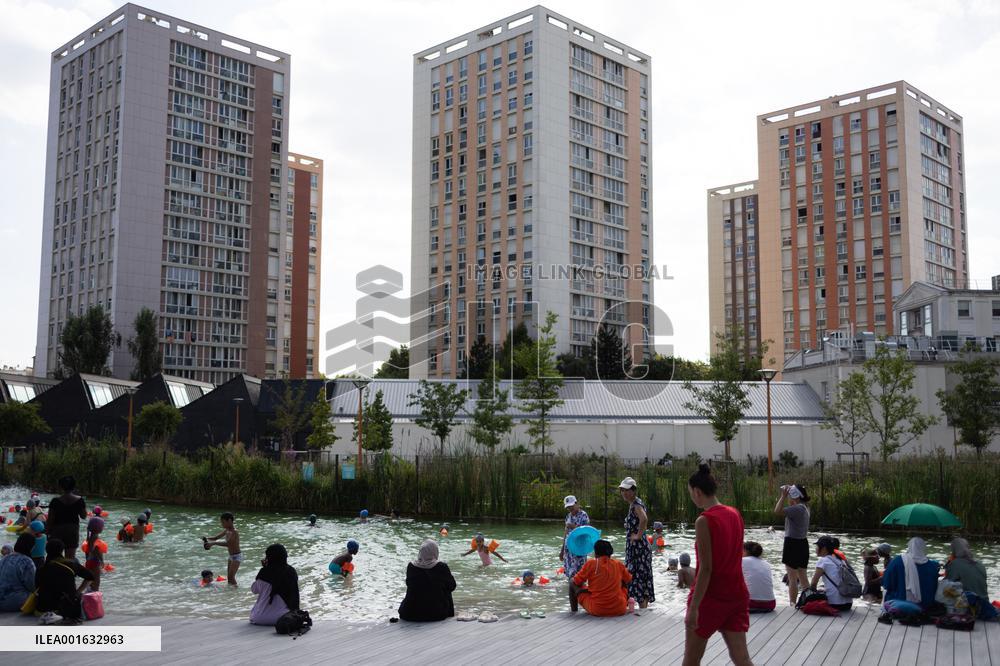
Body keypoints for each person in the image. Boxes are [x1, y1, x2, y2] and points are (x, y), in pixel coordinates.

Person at [683, 463, 752, 666]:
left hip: (710, 598)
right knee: (742, 658)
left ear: (697, 492)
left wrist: (694, 607)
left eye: (690, 493)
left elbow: (706, 568)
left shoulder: (704, 520)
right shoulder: (734, 513)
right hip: (737, 595)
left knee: (691, 660)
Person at [35, 538, 93, 623]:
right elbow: (90, 577)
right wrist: (78, 592)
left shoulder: (41, 568)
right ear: (62, 550)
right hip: (66, 607)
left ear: (46, 551)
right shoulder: (71, 564)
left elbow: (37, 587)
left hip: (42, 608)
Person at [569, 539, 632, 616]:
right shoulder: (618, 564)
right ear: (610, 553)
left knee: (572, 582)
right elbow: (629, 580)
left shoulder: (591, 563)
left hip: (597, 609)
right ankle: (625, 602)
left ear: (595, 553)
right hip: (620, 608)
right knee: (624, 581)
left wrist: (583, 589)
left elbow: (576, 581)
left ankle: (573, 612)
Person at [398, 539, 456, 622]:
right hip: (436, 614)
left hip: (409, 613)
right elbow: (452, 586)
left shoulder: (411, 566)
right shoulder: (441, 566)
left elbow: (409, 584)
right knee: (446, 588)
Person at [619, 477, 654, 608]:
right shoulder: (634, 504)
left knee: (637, 577)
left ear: (634, 491)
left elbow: (644, 519)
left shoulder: (636, 505)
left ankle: (642, 607)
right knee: (639, 578)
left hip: (638, 549)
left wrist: (638, 535)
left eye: (627, 490)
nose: (624, 493)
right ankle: (643, 608)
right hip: (637, 548)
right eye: (623, 490)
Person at [774, 483, 811, 606]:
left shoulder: (797, 509)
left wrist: (783, 496)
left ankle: (792, 604)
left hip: (792, 543)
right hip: (803, 543)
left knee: (792, 578)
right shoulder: (804, 507)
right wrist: (790, 499)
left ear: (795, 495)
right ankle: (809, 601)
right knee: (803, 576)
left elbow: (777, 511)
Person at [944, 537, 996, 620]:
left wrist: (948, 567)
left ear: (954, 550)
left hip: (969, 608)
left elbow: (947, 586)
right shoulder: (980, 564)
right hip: (985, 605)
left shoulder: (955, 564)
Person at [882, 537, 940, 609]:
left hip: (901, 603)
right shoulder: (933, 566)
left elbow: (886, 583)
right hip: (926, 605)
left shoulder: (898, 561)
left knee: (887, 593)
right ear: (923, 548)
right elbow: (934, 587)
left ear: (909, 547)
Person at [249, 544, 299, 626]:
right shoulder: (290, 572)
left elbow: (254, 590)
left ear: (268, 558)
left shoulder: (263, 572)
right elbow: (294, 594)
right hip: (282, 618)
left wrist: (264, 569)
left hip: (258, 618)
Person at [47, 476, 87, 559]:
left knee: (55, 557)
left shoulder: (55, 501)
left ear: (61, 487)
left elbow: (50, 520)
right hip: (72, 530)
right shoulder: (80, 500)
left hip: (57, 530)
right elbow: (83, 516)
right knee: (70, 558)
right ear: (73, 486)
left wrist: (47, 532)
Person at [808, 535, 852, 611]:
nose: (816, 549)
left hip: (835, 604)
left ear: (824, 548)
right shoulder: (841, 560)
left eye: (817, 546)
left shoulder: (823, 561)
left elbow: (813, 584)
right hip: (848, 604)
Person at [202, 512, 241, 586]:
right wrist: (206, 538)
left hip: (237, 556)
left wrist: (213, 544)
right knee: (229, 579)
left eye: (223, 522)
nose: (222, 524)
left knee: (231, 577)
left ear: (229, 520)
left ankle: (236, 591)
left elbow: (228, 544)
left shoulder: (234, 532)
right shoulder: (227, 530)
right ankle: (232, 594)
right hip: (231, 556)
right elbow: (215, 538)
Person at [0, 533, 36, 612]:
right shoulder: (27, 561)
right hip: (14, 601)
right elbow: (31, 586)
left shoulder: (4, 558)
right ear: (30, 546)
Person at [560, 495, 590, 579]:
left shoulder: (583, 515)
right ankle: (569, 591)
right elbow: (566, 533)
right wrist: (562, 550)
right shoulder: (568, 516)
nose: (570, 509)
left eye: (571, 507)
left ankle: (578, 591)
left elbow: (587, 532)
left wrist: (573, 526)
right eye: (568, 508)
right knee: (568, 574)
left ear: (576, 504)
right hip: (568, 550)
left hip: (579, 549)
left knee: (578, 574)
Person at [742, 541, 776, 613]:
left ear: (744, 551)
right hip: (770, 604)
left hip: (751, 604)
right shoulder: (766, 563)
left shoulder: (743, 561)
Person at [80, 518, 107, 592]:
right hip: (95, 562)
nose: (103, 527)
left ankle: (84, 596)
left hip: (89, 561)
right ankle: (79, 594)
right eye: (102, 526)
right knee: (96, 586)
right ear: (98, 528)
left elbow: (89, 551)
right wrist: (101, 561)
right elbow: (95, 550)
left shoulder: (89, 538)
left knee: (90, 583)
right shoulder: (96, 538)